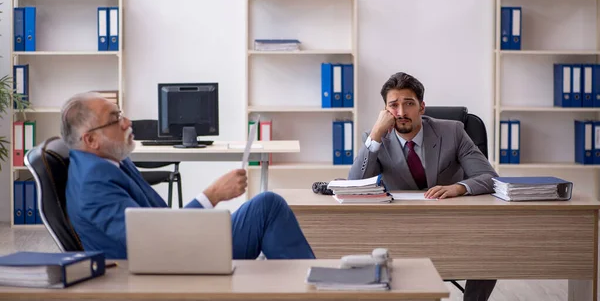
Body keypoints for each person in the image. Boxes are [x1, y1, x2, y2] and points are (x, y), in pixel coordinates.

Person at [63, 92, 315, 260]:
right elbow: (152, 239)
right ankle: (313, 291)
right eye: (115, 118)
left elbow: (156, 221)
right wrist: (212, 195)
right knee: (268, 208)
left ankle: (301, 286)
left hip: (177, 245)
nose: (127, 122)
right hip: (171, 263)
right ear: (91, 139)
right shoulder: (93, 181)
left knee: (266, 205)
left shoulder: (110, 161)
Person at [348, 72, 498, 301]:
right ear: (385, 110)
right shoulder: (375, 139)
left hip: (451, 225)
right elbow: (355, 184)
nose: (401, 112)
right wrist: (377, 134)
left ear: (422, 107)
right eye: (393, 105)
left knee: (490, 247)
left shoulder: (454, 131)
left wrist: (458, 187)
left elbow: (488, 177)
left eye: (408, 104)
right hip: (400, 229)